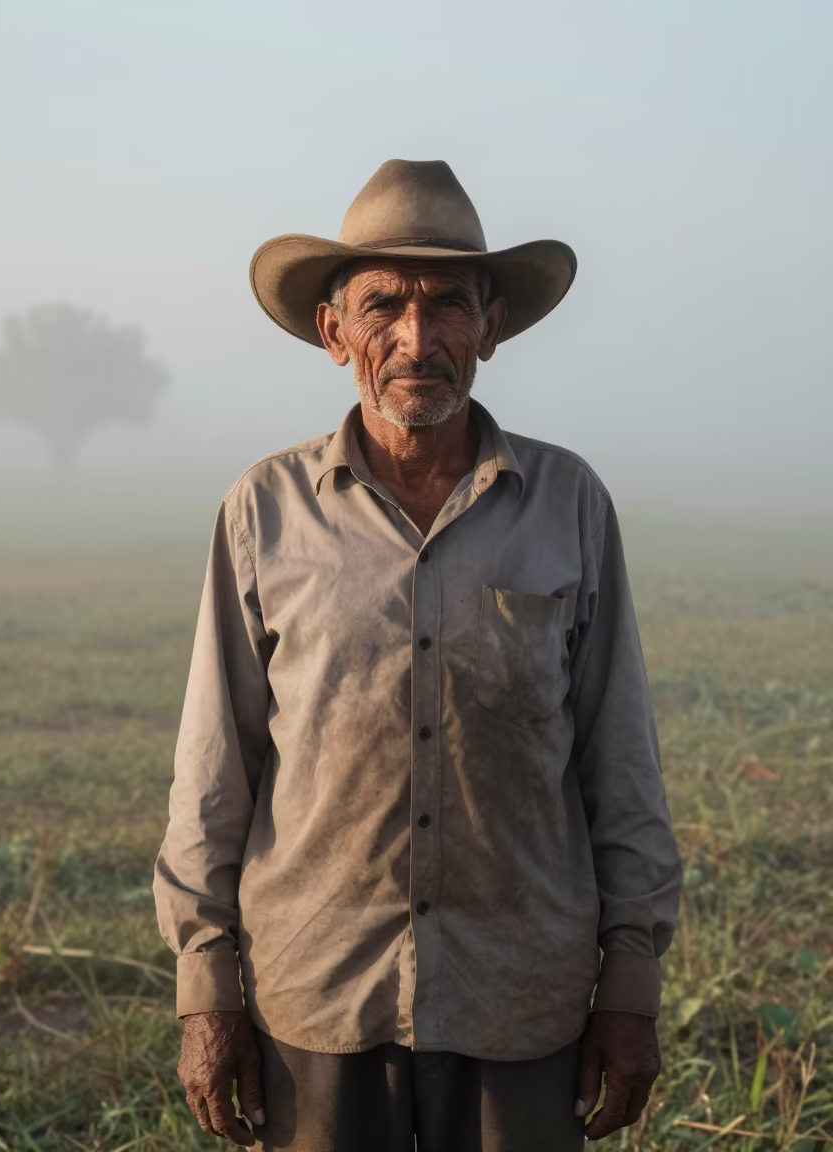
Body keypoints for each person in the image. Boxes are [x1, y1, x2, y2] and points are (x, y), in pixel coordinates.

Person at [153, 159, 682, 1151]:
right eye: (383, 304)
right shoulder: (262, 512)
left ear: (490, 328)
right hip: (315, 1000)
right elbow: (213, 774)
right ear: (334, 331)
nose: (416, 337)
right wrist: (205, 993)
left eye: (447, 305)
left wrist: (633, 986)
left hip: (522, 998)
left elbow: (621, 762)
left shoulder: (568, 504)